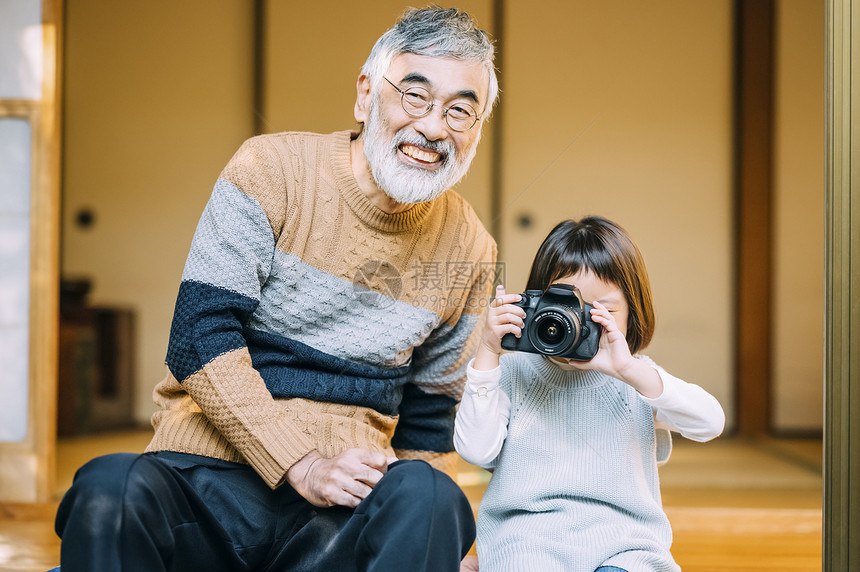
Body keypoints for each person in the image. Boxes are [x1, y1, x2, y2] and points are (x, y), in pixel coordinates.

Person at [55, 7, 498, 572]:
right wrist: (300, 462)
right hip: (205, 482)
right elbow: (199, 336)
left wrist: (443, 543)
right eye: (416, 97)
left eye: (461, 111)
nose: (435, 128)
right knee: (107, 487)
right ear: (366, 95)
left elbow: (429, 418)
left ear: (478, 129)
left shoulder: (471, 248)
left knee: (436, 501)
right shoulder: (272, 168)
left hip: (340, 513)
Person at [454, 216, 725, 572]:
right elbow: (475, 450)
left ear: (632, 313)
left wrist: (630, 371)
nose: (578, 321)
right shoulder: (512, 372)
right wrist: (488, 352)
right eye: (564, 306)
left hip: (625, 543)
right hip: (528, 539)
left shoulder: (637, 379)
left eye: (603, 311)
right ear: (535, 303)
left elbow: (710, 423)